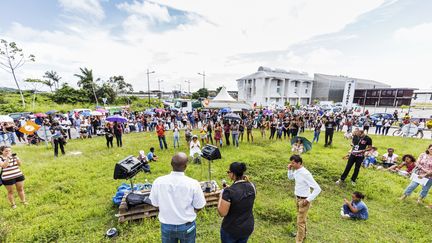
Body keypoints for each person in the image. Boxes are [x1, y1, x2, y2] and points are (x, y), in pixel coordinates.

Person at [149, 152, 206, 243]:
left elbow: (155, 204)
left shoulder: (158, 182)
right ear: (186, 166)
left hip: (167, 226)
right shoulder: (193, 183)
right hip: (187, 225)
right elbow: (199, 206)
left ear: (171, 164)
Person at [218, 162, 256, 243]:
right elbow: (242, 195)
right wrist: (229, 189)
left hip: (231, 229)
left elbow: (222, 213)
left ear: (233, 174)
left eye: (228, 172)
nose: (228, 174)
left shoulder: (228, 192)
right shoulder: (252, 186)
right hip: (247, 227)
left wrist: (221, 195)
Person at [287, 155, 321, 243]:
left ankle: (299, 240)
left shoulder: (305, 173)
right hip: (297, 198)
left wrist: (307, 200)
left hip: (304, 200)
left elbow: (318, 189)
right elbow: (290, 177)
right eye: (291, 162)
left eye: (293, 163)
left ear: (299, 163)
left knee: (300, 222)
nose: (291, 164)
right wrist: (290, 169)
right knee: (302, 219)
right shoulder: (297, 171)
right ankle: (302, 234)